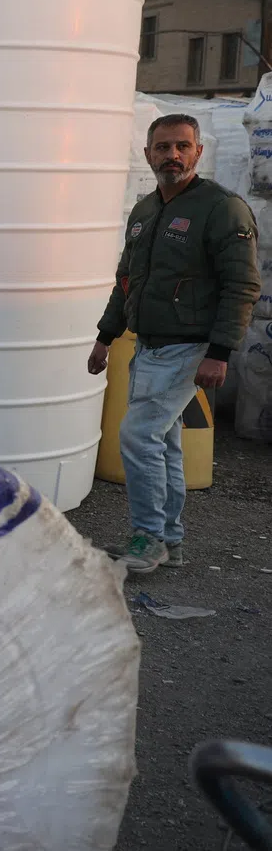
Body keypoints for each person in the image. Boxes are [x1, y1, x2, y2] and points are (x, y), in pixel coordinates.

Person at [89, 113, 260, 573]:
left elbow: (242, 285)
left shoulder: (221, 208)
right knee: (162, 443)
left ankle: (147, 538)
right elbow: (127, 281)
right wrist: (105, 337)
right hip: (148, 347)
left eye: (183, 146)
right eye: (163, 147)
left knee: (138, 434)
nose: (173, 155)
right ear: (148, 154)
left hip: (190, 347)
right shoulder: (145, 211)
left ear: (198, 151)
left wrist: (220, 352)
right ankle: (169, 541)